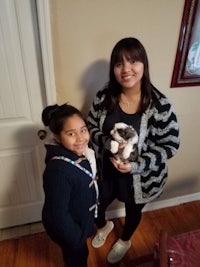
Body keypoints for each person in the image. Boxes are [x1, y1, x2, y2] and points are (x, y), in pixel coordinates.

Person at [87, 37, 180, 264]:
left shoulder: (160, 106)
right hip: (107, 171)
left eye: (133, 61)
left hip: (141, 177)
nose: (126, 69)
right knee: (96, 204)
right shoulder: (104, 96)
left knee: (133, 211)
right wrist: (107, 143)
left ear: (144, 65)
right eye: (119, 63)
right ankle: (106, 225)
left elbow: (170, 145)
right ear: (113, 69)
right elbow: (89, 126)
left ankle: (125, 240)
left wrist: (135, 165)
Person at [41, 103, 99, 267]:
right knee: (77, 258)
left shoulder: (83, 152)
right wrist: (76, 238)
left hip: (78, 220)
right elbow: (57, 214)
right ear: (58, 137)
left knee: (79, 255)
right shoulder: (58, 171)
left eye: (83, 130)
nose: (81, 138)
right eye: (71, 133)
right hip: (68, 230)